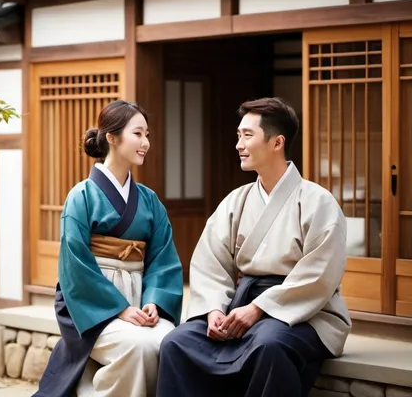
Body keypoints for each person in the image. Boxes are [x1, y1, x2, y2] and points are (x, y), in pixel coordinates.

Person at [156, 97, 351, 397]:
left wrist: (260, 308)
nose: (239, 145)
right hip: (240, 304)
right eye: (238, 136)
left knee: (269, 345)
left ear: (277, 143)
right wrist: (213, 310)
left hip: (305, 312)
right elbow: (211, 262)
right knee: (177, 343)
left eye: (248, 135)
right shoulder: (237, 200)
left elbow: (320, 275)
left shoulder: (318, 202)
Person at [35, 100, 183, 397]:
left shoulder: (149, 199)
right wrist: (120, 309)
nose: (146, 143)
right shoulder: (81, 196)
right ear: (112, 138)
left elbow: (163, 258)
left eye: (147, 135)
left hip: (140, 299)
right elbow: (75, 266)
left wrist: (154, 301)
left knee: (169, 342)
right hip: (91, 305)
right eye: (138, 134)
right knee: (137, 347)